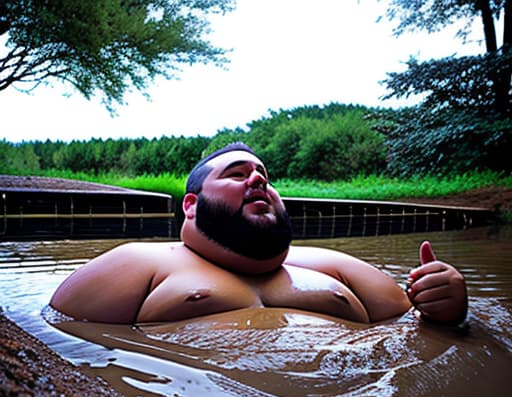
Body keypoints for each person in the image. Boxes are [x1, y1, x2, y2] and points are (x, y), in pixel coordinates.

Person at [49, 143, 468, 326]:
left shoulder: (338, 266)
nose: (257, 180)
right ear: (191, 205)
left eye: (263, 176)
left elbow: (415, 328)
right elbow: (57, 354)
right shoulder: (137, 263)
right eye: (237, 175)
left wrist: (447, 307)